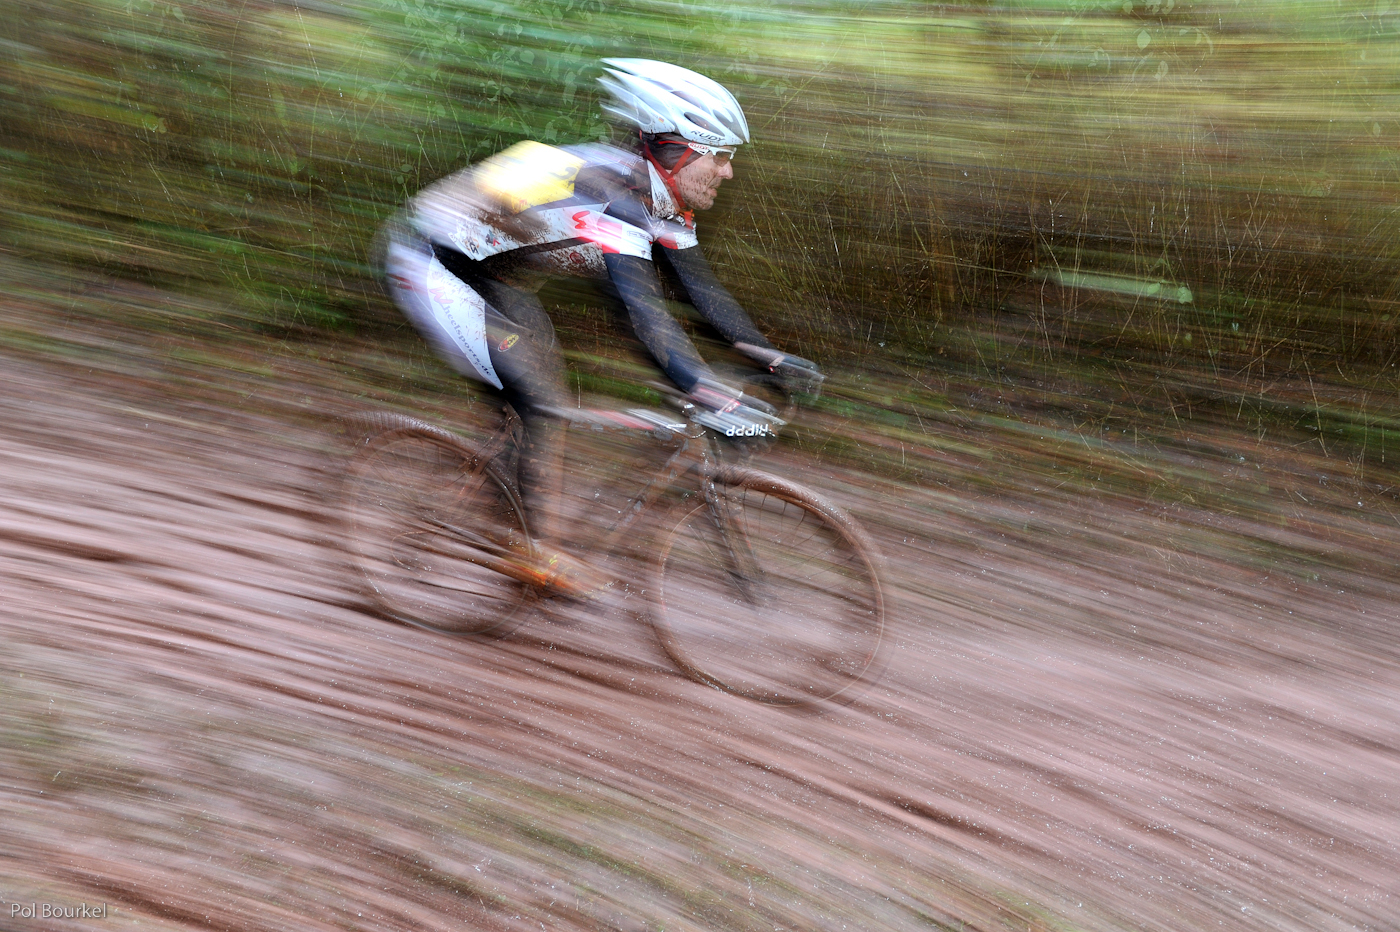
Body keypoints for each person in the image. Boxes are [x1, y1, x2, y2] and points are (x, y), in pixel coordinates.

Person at [378, 58, 822, 596]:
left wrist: (768, 355)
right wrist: (707, 391)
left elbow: (700, 292)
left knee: (542, 387)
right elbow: (640, 314)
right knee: (534, 395)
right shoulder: (610, 198)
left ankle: (514, 517)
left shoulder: (658, 196)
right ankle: (528, 553)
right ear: (673, 150)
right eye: (720, 157)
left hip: (492, 279)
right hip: (431, 263)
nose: (728, 171)